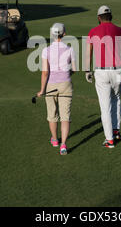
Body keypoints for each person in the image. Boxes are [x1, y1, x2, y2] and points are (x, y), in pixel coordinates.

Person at [85, 5, 121, 149]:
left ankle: (109, 139)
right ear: (111, 16)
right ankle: (116, 132)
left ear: (99, 18)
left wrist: (87, 71)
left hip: (101, 72)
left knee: (105, 107)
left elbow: (88, 53)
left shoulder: (93, 32)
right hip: (117, 71)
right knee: (116, 100)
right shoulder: (120, 31)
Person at [37, 23, 76, 155]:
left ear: (52, 34)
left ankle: (54, 139)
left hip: (51, 86)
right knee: (65, 116)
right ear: (64, 34)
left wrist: (42, 90)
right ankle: (63, 145)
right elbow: (74, 69)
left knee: (52, 114)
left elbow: (45, 73)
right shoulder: (70, 49)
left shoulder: (45, 50)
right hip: (66, 84)